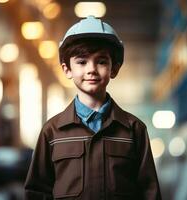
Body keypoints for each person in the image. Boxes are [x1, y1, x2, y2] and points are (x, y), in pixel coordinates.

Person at [24, 15, 162, 200]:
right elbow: (37, 192)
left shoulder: (134, 130)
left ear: (114, 69)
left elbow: (149, 192)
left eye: (102, 61)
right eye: (82, 62)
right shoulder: (52, 132)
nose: (91, 69)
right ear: (67, 69)